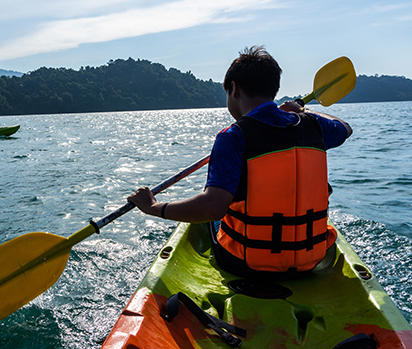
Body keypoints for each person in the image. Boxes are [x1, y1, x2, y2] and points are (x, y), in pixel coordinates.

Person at [128, 46, 353, 279]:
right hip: (311, 260)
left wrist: (153, 207)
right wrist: (302, 111)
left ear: (233, 89)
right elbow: (345, 128)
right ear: (273, 89)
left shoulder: (233, 136)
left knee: (210, 210)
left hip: (248, 265)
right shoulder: (313, 125)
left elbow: (213, 208)